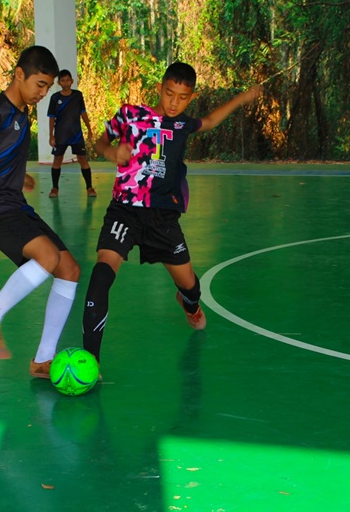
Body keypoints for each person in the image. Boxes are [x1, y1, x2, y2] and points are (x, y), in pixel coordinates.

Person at [82, 62, 262, 365]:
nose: (174, 102)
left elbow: (210, 121)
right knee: (101, 275)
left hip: (163, 217)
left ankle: (188, 303)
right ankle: (90, 360)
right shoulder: (129, 114)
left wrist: (242, 98)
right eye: (169, 94)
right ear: (159, 88)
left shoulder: (183, 124)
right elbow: (100, 142)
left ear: (191, 97)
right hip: (124, 210)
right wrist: (111, 152)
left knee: (191, 287)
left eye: (182, 97)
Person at [0, 45, 80, 379]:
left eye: (48, 87)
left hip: (13, 202)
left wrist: (18, 175)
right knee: (47, 257)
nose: (43, 93)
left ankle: (42, 360)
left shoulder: (21, 115)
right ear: (19, 74)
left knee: (69, 269)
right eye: (39, 84)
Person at [47, 69, 96, 198]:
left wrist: (89, 129)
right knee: (57, 160)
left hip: (76, 135)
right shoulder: (55, 98)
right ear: (59, 82)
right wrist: (51, 135)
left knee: (83, 160)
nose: (66, 82)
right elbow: (51, 117)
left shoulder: (78, 96)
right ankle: (55, 188)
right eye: (63, 80)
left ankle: (90, 188)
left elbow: (83, 113)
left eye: (68, 80)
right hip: (60, 135)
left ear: (72, 81)